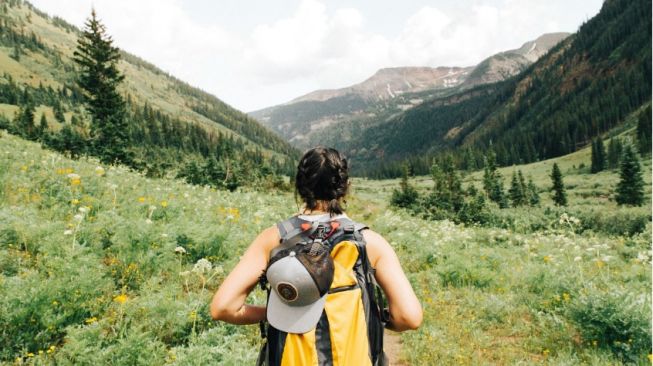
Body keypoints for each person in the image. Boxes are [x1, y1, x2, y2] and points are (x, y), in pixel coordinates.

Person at [210, 147, 422, 365]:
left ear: (300, 186)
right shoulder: (370, 242)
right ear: (345, 187)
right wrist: (377, 317)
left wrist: (272, 313)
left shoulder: (274, 239)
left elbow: (223, 308)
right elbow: (409, 317)